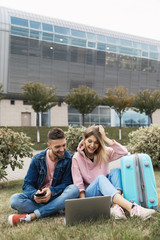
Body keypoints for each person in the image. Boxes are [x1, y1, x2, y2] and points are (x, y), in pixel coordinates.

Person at [72, 125, 156, 220]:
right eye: (90, 141)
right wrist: (83, 205)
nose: (92, 145)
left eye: (96, 142)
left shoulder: (103, 153)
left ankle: (115, 207)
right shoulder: (76, 158)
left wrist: (105, 138)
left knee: (116, 171)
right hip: (90, 195)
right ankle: (133, 208)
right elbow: (79, 185)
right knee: (100, 179)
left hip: (106, 192)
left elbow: (123, 152)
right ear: (84, 139)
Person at [8, 128, 79, 226]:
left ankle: (34, 215)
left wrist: (51, 191)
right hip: (41, 201)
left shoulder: (69, 159)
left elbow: (67, 184)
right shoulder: (37, 159)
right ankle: (55, 209)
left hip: (57, 197)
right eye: (57, 146)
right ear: (49, 146)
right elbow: (27, 185)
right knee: (14, 199)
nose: (62, 149)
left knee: (74, 189)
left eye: (64, 145)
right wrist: (34, 194)